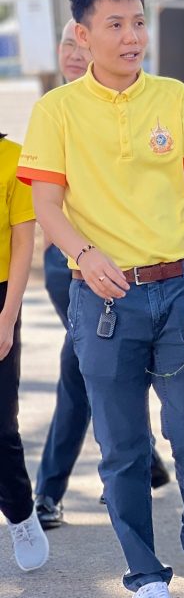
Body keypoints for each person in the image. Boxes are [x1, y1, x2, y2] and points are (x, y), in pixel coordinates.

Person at [19, 0, 184, 598]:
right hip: (104, 301)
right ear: (83, 35)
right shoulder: (56, 110)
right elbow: (48, 206)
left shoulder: (175, 97)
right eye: (115, 24)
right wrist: (84, 256)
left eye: (138, 22)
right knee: (123, 448)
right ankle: (145, 577)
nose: (131, 36)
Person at [35, 20, 170, 531]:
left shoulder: (145, 103)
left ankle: (134, 454)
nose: (73, 53)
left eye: (80, 44)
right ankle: (52, 492)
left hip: (140, 265)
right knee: (81, 367)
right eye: (66, 44)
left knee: (105, 365)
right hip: (71, 265)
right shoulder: (56, 111)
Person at [1, 132, 49, 572]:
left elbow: (23, 243)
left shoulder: (12, 158)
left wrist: (7, 315)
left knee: (0, 423)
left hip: (1, 298)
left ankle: (20, 513)